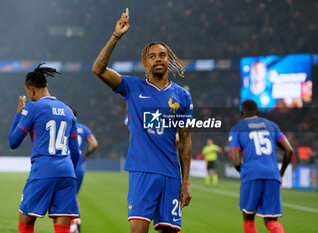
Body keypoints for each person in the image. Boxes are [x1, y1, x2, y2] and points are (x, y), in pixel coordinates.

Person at [92, 8, 192, 233]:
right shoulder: (132, 87)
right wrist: (116, 36)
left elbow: (185, 142)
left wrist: (185, 182)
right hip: (142, 172)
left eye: (162, 55)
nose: (158, 59)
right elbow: (98, 69)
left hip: (170, 174)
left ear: (169, 60)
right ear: (145, 62)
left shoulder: (182, 95)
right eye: (152, 56)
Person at [8, 64, 80, 233]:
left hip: (43, 170)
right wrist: (68, 171)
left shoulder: (33, 107)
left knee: (25, 220)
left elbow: (13, 142)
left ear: (31, 90)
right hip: (67, 172)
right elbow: (75, 151)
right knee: (62, 224)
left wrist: (18, 114)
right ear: (46, 86)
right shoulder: (68, 111)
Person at [228, 99, 293, 233]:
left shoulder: (237, 129)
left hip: (251, 174)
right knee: (271, 220)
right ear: (258, 111)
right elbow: (289, 150)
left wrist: (246, 173)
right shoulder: (272, 125)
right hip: (272, 175)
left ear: (242, 112)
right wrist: (280, 173)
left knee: (248, 217)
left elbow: (236, 161)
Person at [69, 106, 98, 233]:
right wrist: (85, 154)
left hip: (67, 165)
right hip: (80, 166)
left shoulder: (65, 125)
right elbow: (94, 144)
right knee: (73, 195)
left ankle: (73, 224)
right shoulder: (84, 128)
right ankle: (76, 223)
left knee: (66, 197)